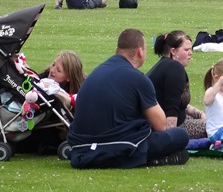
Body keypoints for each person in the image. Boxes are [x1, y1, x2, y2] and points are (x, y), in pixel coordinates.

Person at [68, 28, 190, 168]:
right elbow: (161, 126)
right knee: (180, 135)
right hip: (119, 147)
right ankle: (150, 159)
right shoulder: (138, 79)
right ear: (139, 52)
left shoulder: (96, 73)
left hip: (81, 148)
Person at [147, 31, 207, 139]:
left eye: (191, 49)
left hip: (168, 121)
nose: (190, 53)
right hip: (167, 126)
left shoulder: (164, 65)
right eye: (186, 50)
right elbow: (171, 110)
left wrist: (200, 114)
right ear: (173, 51)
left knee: (212, 120)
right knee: (217, 126)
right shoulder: (175, 69)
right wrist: (171, 141)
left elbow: (177, 102)